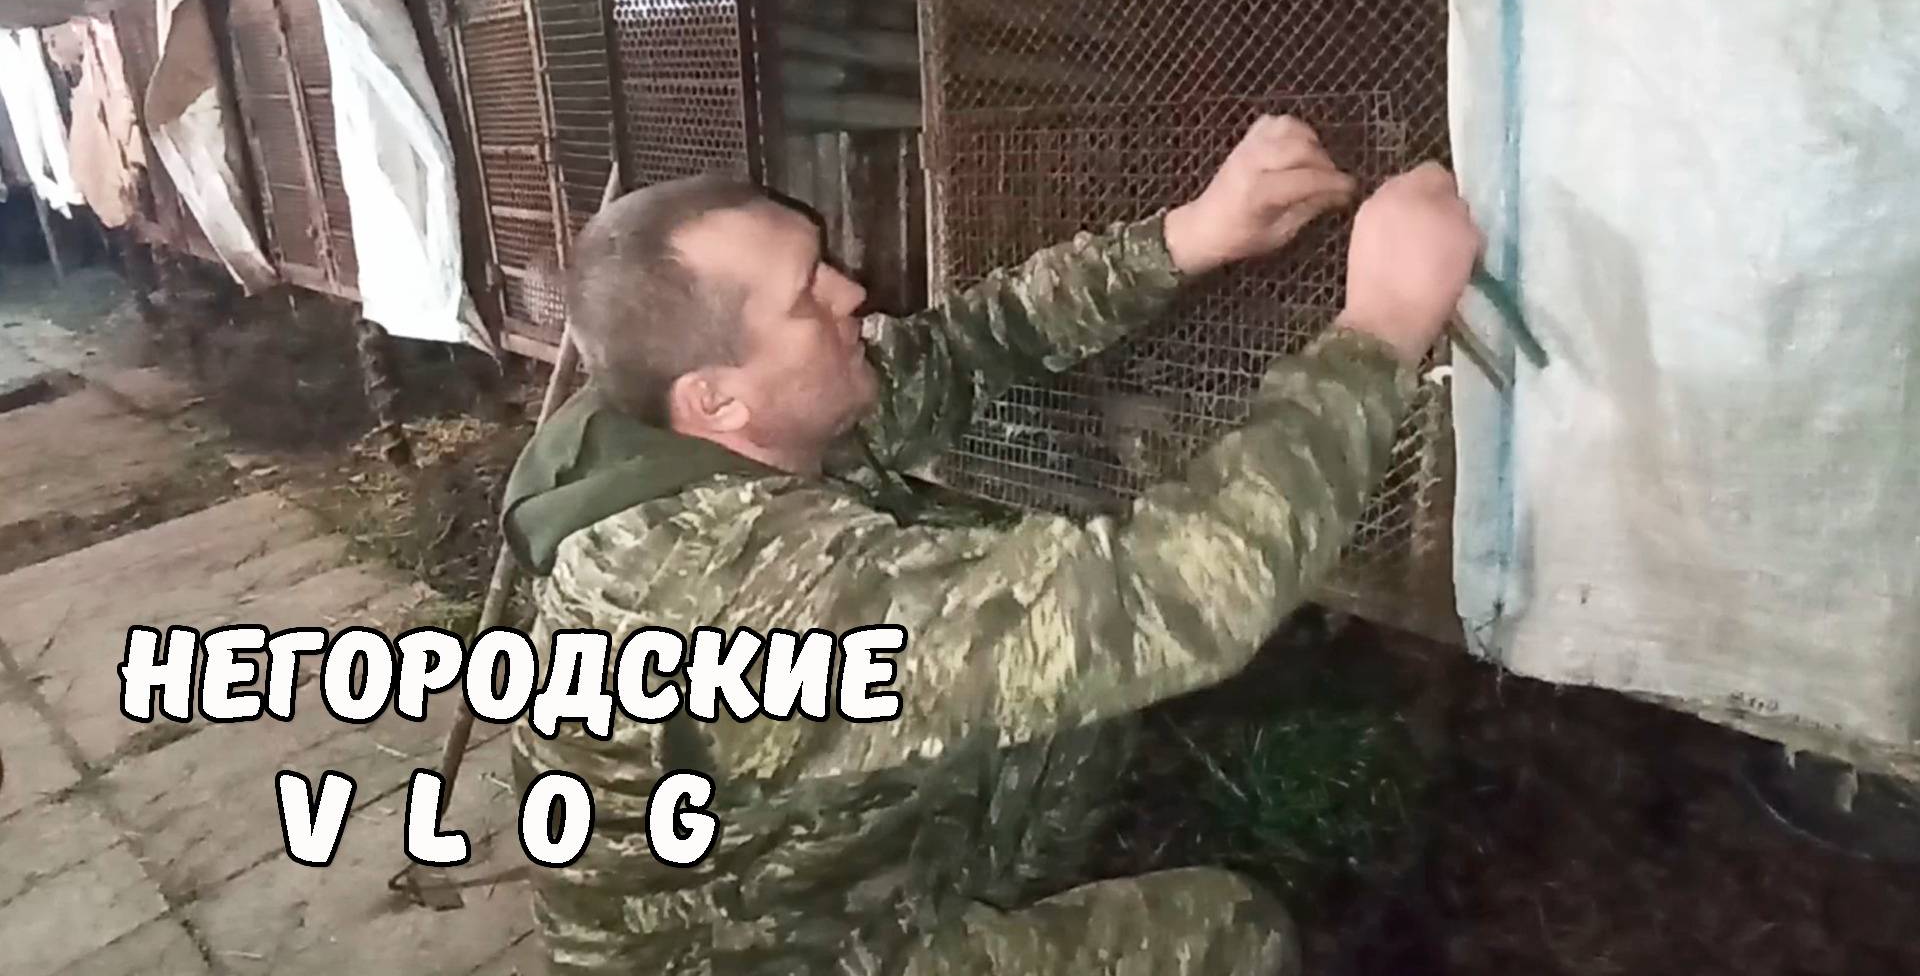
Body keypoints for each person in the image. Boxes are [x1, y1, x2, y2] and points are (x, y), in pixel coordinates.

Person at [499, 115, 1483, 975]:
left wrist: (1193, 234)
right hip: (766, 955)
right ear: (716, 398)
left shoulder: (694, 413)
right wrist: (1382, 328)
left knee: (1067, 704)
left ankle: (987, 894)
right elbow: (1175, 595)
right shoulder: (734, 587)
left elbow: (968, 342)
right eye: (808, 294)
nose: (852, 292)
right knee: (1229, 929)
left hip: (778, 868)